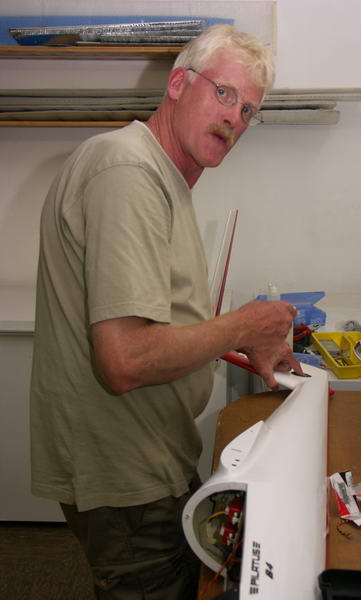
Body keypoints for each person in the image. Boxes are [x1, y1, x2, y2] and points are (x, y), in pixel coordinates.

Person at [30, 24, 302, 600]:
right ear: (178, 84)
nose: (233, 117)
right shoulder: (128, 171)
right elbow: (126, 359)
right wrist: (245, 323)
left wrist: (243, 343)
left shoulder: (160, 176)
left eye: (248, 110)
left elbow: (160, 325)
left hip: (149, 454)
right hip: (125, 470)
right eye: (223, 93)